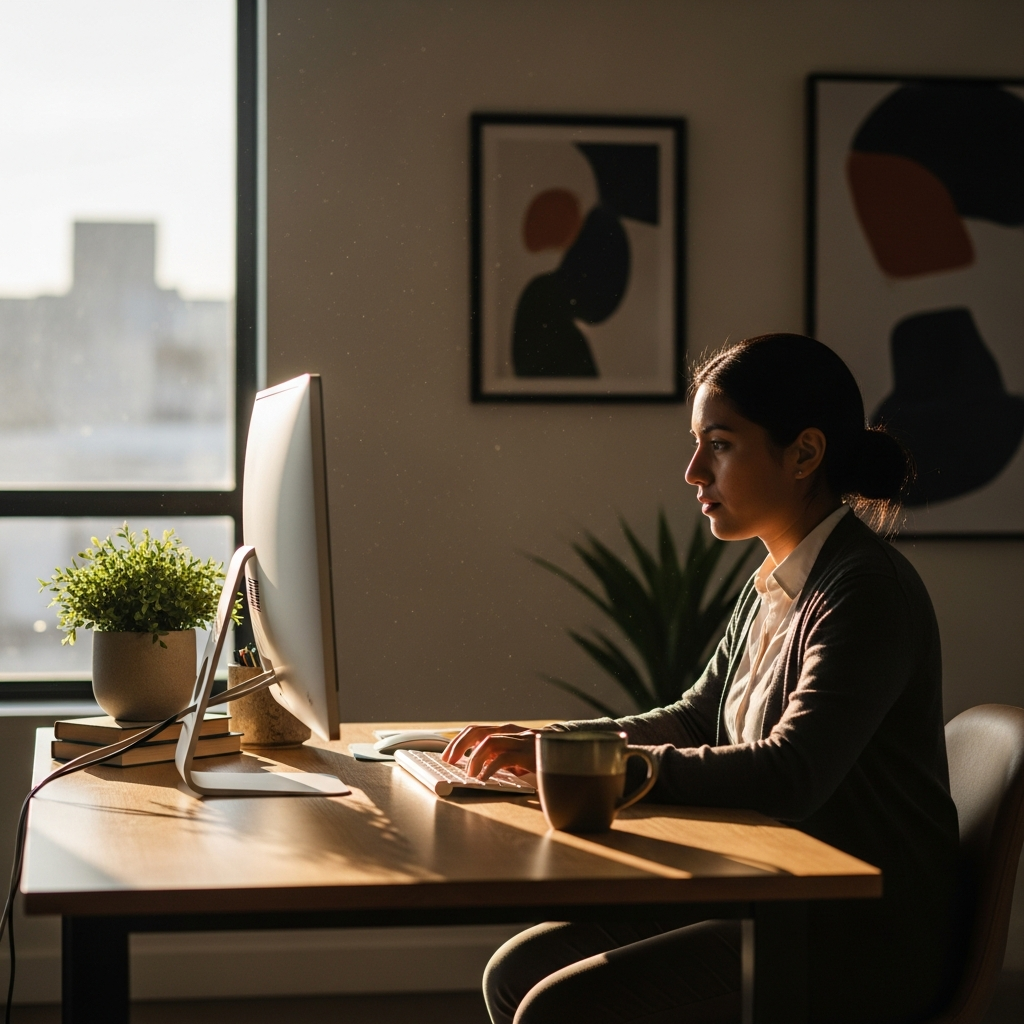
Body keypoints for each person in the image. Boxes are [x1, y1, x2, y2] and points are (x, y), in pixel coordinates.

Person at [442, 334, 960, 1024]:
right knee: (516, 974)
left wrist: (603, 769)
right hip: (776, 899)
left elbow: (792, 773)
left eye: (718, 444)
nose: (692, 471)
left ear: (805, 453)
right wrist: (553, 742)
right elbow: (693, 718)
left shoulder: (864, 590)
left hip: (852, 936)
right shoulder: (776, 581)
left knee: (558, 1008)